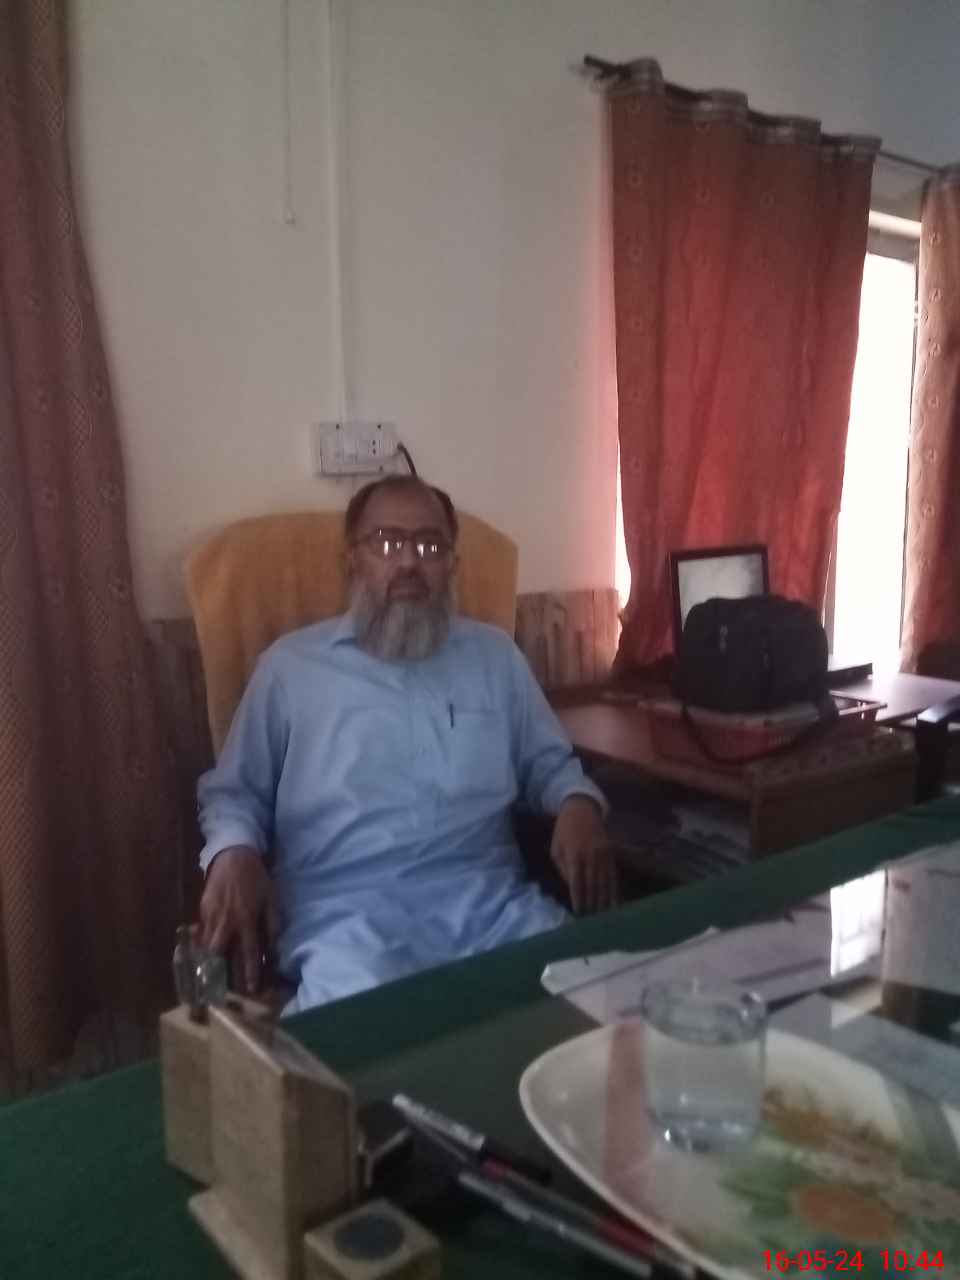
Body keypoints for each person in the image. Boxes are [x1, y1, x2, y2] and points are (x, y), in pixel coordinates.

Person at [197, 475, 616, 1011]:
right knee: (366, 1020)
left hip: (490, 905)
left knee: (585, 994)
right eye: (387, 542)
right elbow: (235, 794)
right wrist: (233, 853)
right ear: (353, 560)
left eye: (430, 546)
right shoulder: (290, 669)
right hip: (344, 917)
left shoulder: (494, 657)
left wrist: (578, 803)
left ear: (452, 566)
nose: (410, 563)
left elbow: (549, 765)